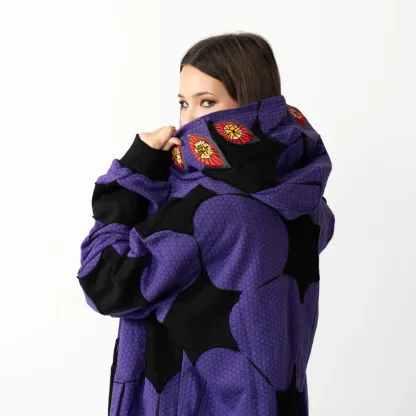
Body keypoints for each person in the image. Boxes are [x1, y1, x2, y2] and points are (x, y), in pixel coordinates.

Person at [76, 32, 335, 416]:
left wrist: (134, 174)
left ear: (248, 107)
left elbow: (104, 283)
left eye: (207, 102)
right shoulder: (303, 201)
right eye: (184, 103)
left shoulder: (209, 210)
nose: (189, 121)